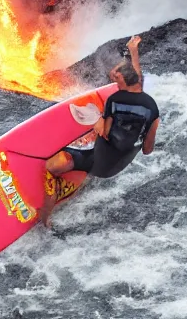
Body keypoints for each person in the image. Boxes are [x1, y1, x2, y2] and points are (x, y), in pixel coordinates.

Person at [39, 35, 160, 228]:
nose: (115, 83)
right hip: (119, 164)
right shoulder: (152, 111)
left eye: (117, 80)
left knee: (52, 165)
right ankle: (80, 173)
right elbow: (147, 150)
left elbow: (103, 130)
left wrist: (97, 121)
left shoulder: (114, 102)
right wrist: (133, 51)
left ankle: (46, 216)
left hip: (101, 163)